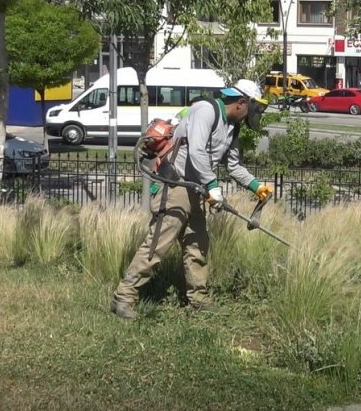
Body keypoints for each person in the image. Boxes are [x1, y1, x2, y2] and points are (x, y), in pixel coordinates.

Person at [110, 79, 273, 320]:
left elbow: (234, 165)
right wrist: (213, 186)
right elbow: (196, 151)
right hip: (175, 185)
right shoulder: (206, 110)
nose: (252, 114)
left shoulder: (232, 127)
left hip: (197, 189)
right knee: (158, 243)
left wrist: (256, 186)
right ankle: (124, 297)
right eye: (253, 107)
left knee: (197, 244)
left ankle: (198, 298)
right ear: (241, 103)